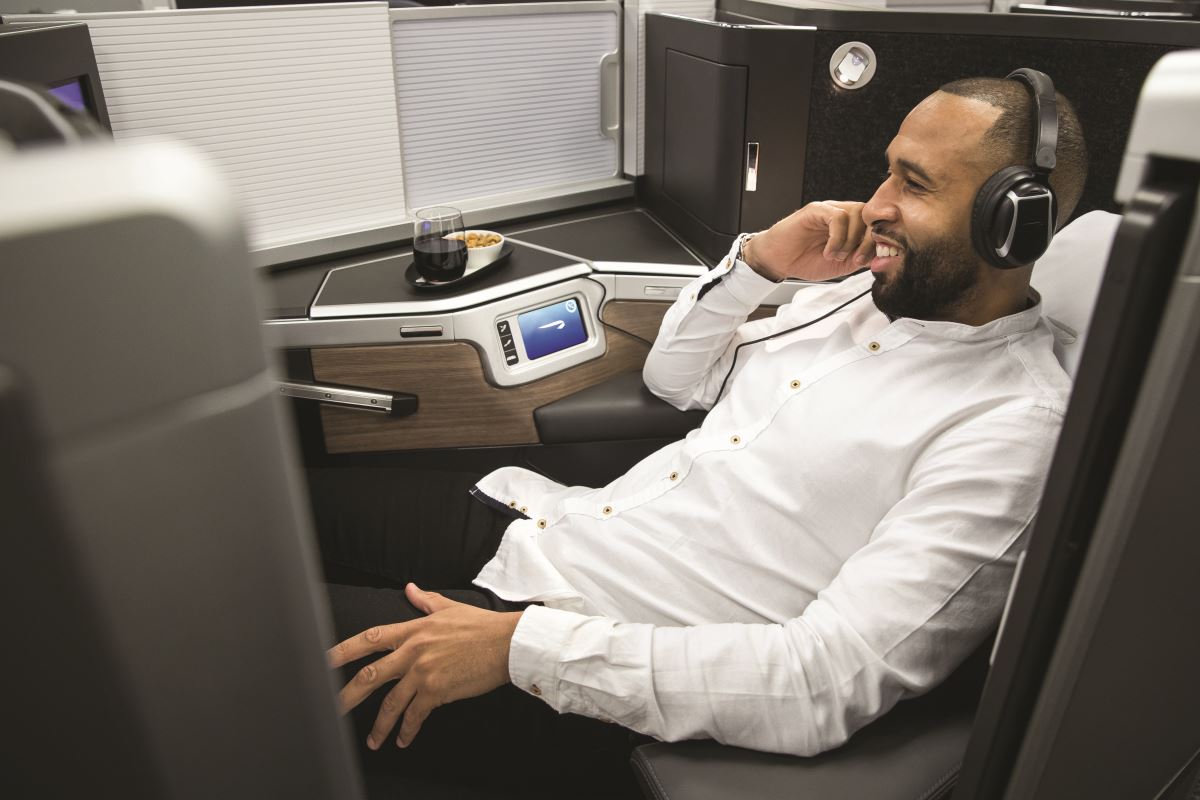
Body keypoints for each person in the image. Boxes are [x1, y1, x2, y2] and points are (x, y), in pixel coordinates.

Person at [313, 72, 1088, 797]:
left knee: (231, 637)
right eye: (888, 171)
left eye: (914, 184)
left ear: (1009, 226)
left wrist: (521, 649)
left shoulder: (1011, 429)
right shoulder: (859, 297)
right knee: (275, 505)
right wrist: (758, 264)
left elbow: (824, 682)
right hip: (548, 520)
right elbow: (674, 380)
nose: (877, 203)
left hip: (576, 648)